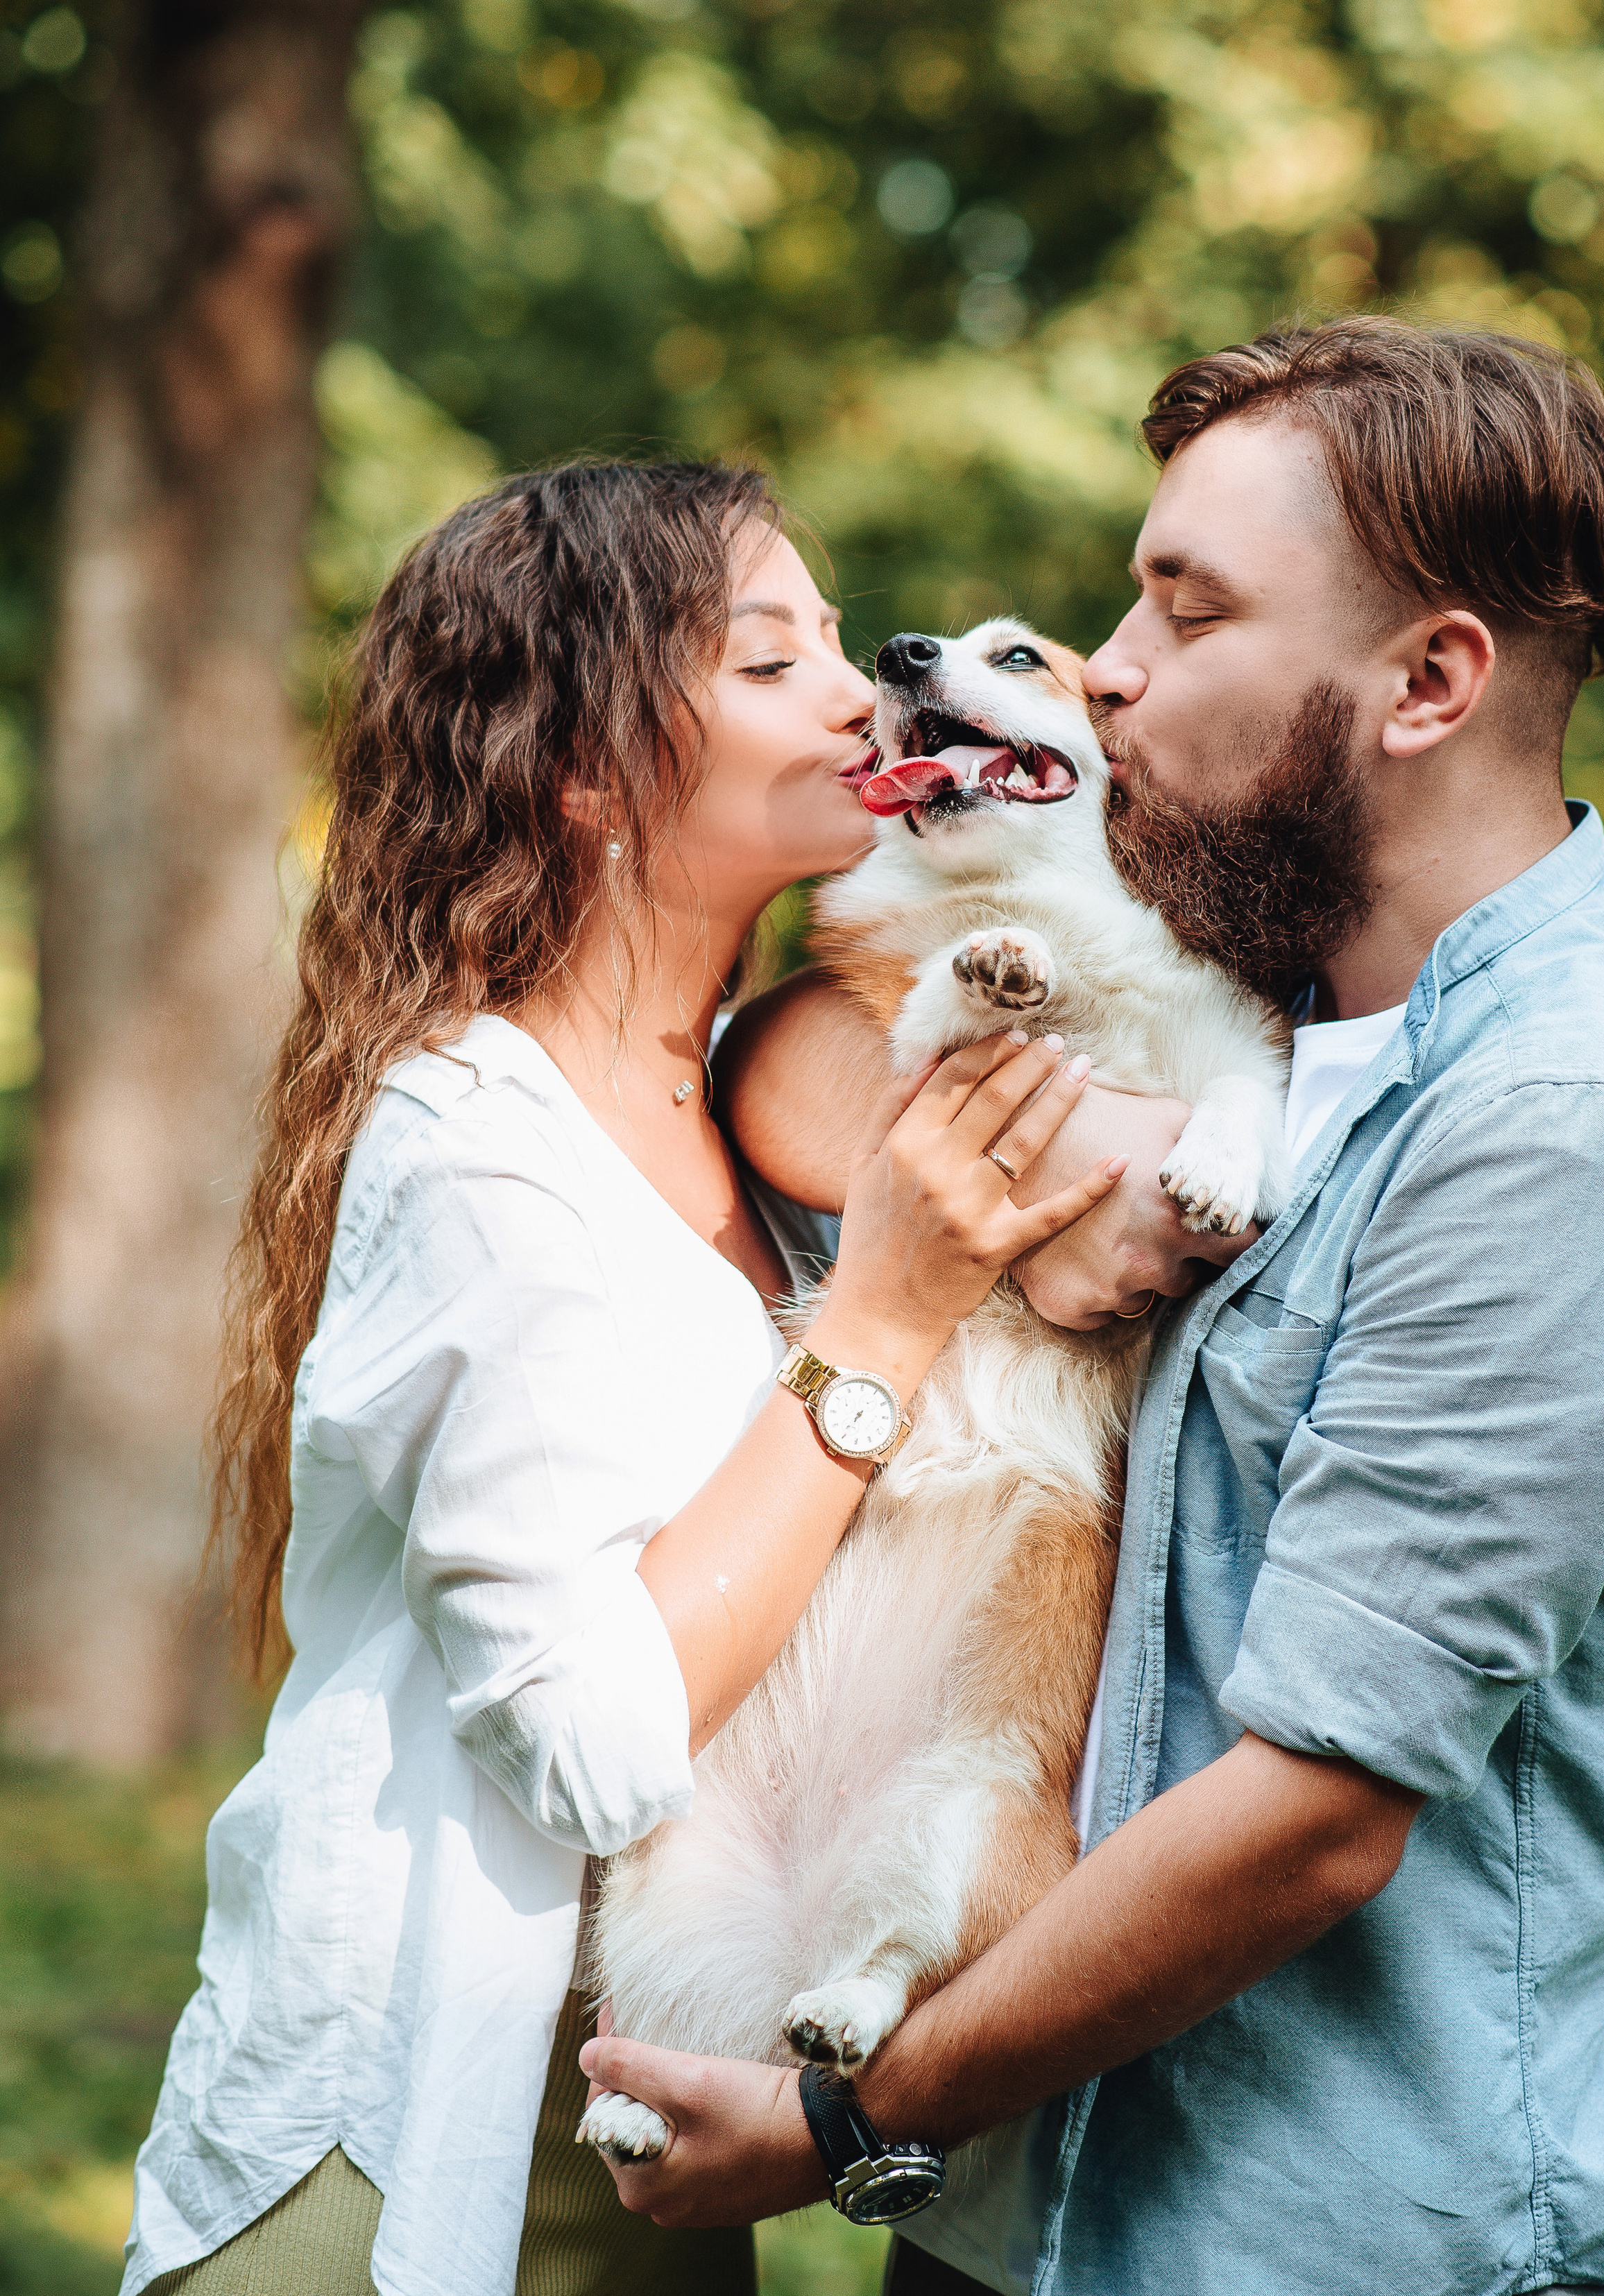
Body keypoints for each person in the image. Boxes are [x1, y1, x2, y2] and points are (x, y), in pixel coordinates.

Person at [580, 321, 1604, 2296]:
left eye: (1187, 611)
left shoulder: (1566, 1132)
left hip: (1294, 2244)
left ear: (1431, 682)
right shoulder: (1292, 994)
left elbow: (1312, 1814)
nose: (1111, 663)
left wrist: (861, 2124)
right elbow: (804, 1055)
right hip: (1024, 2212)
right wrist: (1058, 1192)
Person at [121, 460, 1216, 2296]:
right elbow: (584, 1745)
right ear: (586, 768)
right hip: (403, 2149)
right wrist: (879, 1323)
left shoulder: (736, 1079)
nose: (859, 692)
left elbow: (925, 1093)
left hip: (642, 2119)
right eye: (771, 658)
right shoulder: (478, 1150)